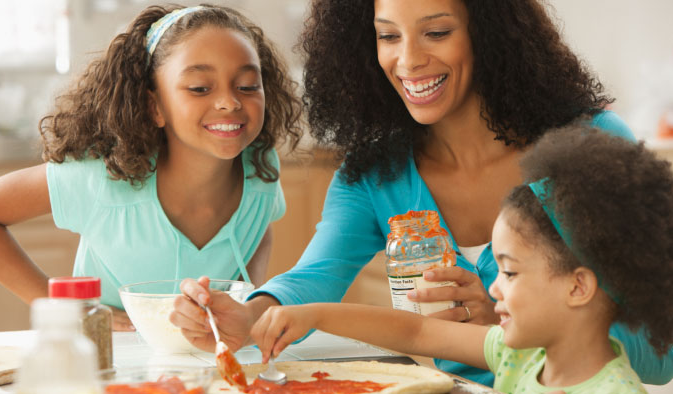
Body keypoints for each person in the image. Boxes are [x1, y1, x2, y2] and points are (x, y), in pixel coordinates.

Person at [170, 0, 673, 385]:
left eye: (436, 32)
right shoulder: (374, 173)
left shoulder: (590, 148)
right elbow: (314, 279)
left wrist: (516, 325)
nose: (407, 60)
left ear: (489, 33)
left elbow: (660, 353)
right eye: (387, 36)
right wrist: (247, 315)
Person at [249, 126, 673, 394]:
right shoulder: (519, 354)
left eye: (508, 272)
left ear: (577, 286)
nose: (492, 287)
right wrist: (313, 315)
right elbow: (417, 332)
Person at [0, 4, 302, 331]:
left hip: (208, 362)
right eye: (200, 88)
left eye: (247, 86)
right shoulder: (102, 177)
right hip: (111, 359)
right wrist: (57, 305)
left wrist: (246, 299)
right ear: (154, 106)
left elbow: (259, 225)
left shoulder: (260, 165)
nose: (230, 102)